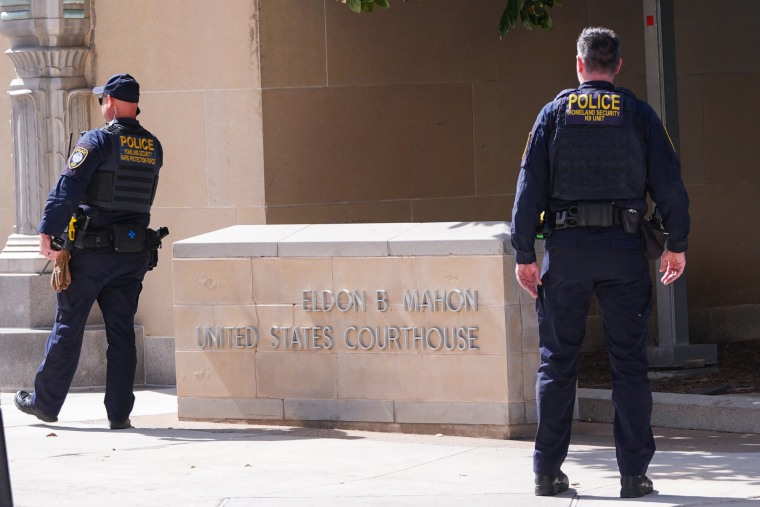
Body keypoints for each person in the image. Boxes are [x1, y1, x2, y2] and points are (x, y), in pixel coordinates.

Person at [510, 27, 689, 498]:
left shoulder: (553, 114)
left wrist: (525, 253)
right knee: (629, 365)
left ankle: (547, 473)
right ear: (618, 66)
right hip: (623, 253)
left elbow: (528, 187)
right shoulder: (638, 114)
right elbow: (670, 184)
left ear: (579, 63)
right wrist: (676, 242)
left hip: (566, 253)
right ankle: (633, 475)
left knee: (557, 365)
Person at [15, 73, 164, 430]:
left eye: (102, 100)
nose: (101, 107)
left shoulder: (97, 140)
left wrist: (48, 231)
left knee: (68, 327)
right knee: (122, 333)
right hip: (132, 254)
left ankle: (46, 404)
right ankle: (119, 413)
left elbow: (68, 185)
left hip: (92, 253)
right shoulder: (153, 145)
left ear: (110, 102)